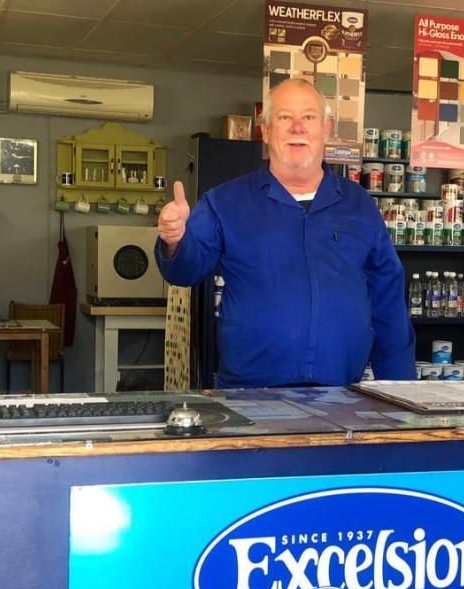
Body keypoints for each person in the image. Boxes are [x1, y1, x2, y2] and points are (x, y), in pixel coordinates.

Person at [155, 78, 415, 389]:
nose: (297, 127)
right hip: (249, 397)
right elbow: (185, 271)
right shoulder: (225, 201)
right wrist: (175, 240)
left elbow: (388, 302)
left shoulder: (358, 205)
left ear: (325, 129)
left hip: (341, 395)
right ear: (266, 131)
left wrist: (401, 391)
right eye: (284, 117)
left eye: (308, 117)